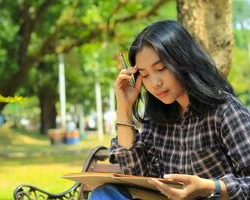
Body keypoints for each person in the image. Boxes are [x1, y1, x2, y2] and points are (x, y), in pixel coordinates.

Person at [90, 20, 250, 200]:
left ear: (184, 61)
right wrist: (124, 107)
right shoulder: (157, 117)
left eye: (161, 68)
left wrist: (208, 186)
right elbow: (137, 173)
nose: (155, 83)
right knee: (105, 194)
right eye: (145, 75)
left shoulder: (225, 111)